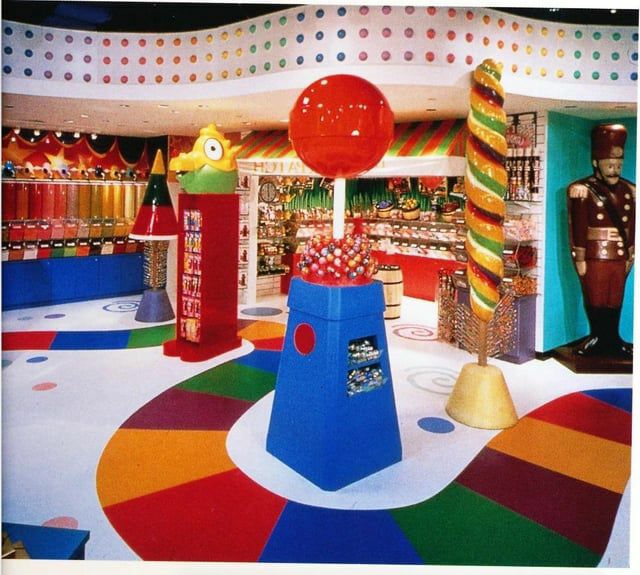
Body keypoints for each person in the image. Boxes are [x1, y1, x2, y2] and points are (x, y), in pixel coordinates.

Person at [567, 123, 635, 357]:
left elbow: (632, 224)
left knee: (615, 298)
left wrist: (631, 252)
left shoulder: (630, 190)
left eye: (618, 165)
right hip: (595, 254)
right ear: (596, 163)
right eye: (610, 165)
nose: (615, 170)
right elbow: (578, 225)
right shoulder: (583, 189)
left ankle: (613, 339)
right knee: (596, 297)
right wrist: (580, 257)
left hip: (619, 255)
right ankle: (597, 337)